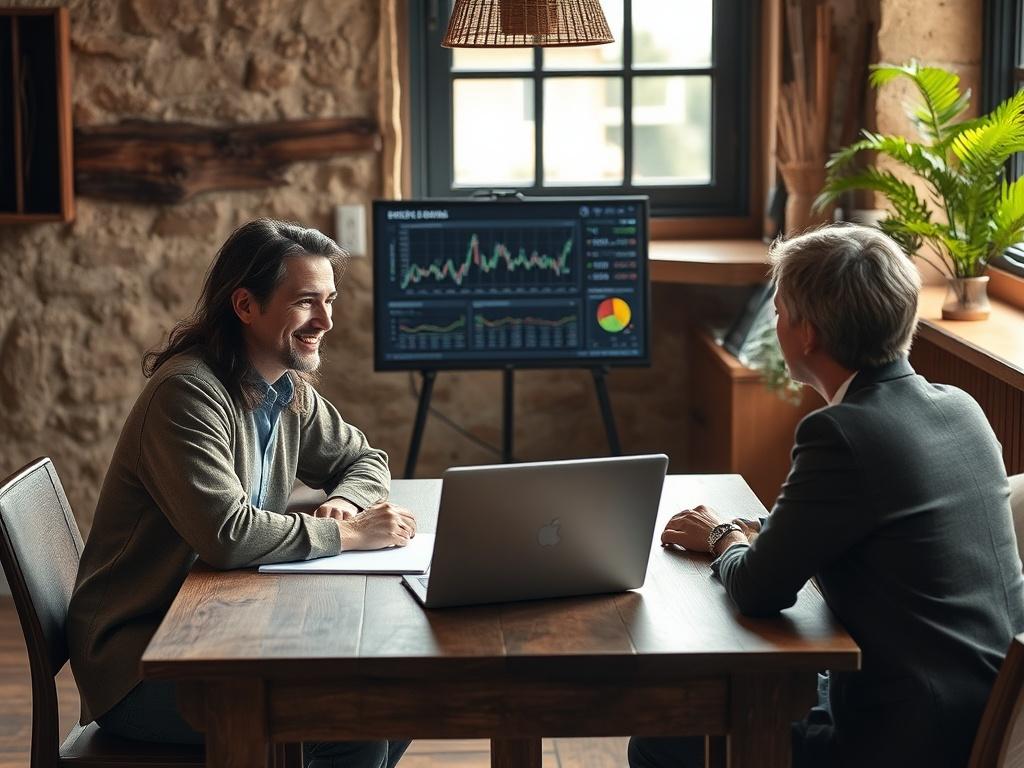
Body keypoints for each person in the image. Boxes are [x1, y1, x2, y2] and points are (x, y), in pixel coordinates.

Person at [630, 225, 1024, 768]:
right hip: (976, 717)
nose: (775, 322)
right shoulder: (962, 408)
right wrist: (762, 537)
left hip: (902, 742)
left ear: (808, 333)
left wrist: (722, 535)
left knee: (661, 735)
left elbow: (757, 589)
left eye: (780, 309)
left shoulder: (842, 433)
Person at [67, 219, 415, 768]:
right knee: (354, 723)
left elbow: (364, 458)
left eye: (329, 301)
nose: (325, 321)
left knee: (392, 702)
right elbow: (228, 536)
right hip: (142, 664)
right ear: (245, 306)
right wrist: (347, 533)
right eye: (306, 302)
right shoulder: (188, 394)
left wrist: (346, 501)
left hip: (226, 631)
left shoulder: (286, 386)